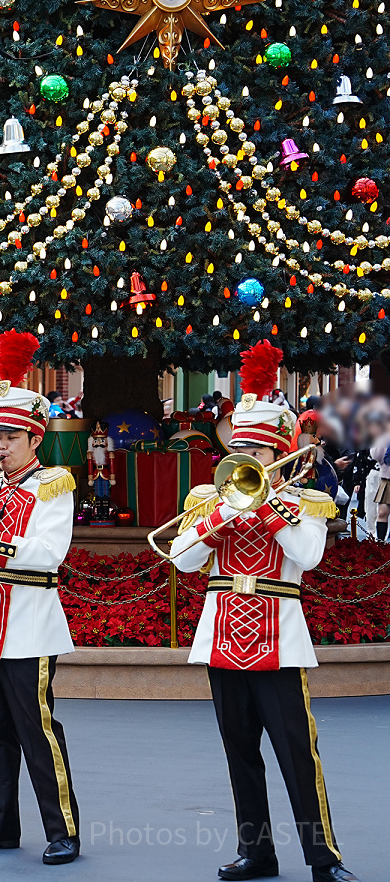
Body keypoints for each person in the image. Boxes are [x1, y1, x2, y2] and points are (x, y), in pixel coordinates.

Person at [168, 341, 359, 882]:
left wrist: (269, 507)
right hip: (222, 636)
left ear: (281, 456)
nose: (249, 465)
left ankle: (324, 859)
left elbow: (310, 556)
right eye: (242, 456)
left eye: (260, 456)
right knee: (240, 754)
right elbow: (183, 564)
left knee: (299, 754)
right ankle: (257, 852)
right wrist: (215, 519)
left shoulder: (304, 504)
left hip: (280, 638)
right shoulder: (211, 501)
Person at [0, 331, 81, 865]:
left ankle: (63, 830)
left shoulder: (54, 484)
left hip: (28, 620)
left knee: (39, 731)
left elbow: (48, 553)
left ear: (33, 438)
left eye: (8, 437)